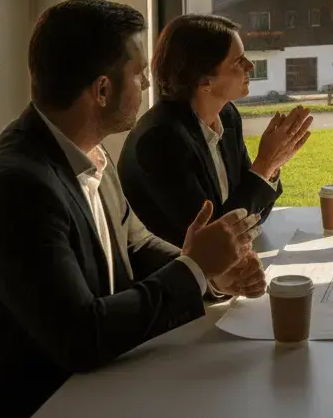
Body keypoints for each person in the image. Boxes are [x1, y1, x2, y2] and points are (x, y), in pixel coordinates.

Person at [0, 0, 265, 418]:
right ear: (102, 91)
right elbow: (81, 336)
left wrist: (213, 275)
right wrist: (193, 269)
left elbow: (135, 246)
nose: (147, 84)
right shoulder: (17, 189)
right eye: (139, 74)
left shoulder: (88, 153)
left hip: (91, 389)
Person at [119, 14, 313, 247]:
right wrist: (264, 165)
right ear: (204, 81)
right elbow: (212, 242)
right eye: (238, 61)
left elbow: (252, 216)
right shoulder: (160, 142)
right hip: (175, 277)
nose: (250, 66)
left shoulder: (227, 116)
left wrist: (271, 166)